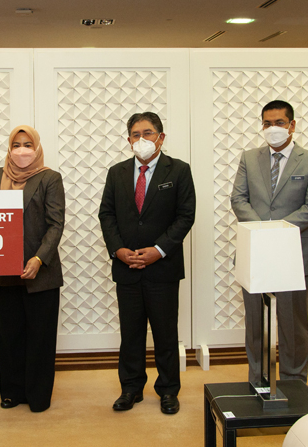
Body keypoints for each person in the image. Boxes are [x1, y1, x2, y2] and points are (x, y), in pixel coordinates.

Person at [98, 112, 195, 415]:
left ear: (161, 137)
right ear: (128, 141)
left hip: (162, 267)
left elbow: (185, 216)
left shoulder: (178, 170)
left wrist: (158, 249)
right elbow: (107, 214)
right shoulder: (116, 172)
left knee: (165, 333)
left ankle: (168, 390)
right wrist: (118, 250)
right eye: (136, 134)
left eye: (148, 133)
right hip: (126, 266)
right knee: (131, 333)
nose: (142, 139)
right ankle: (131, 388)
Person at [230, 100, 308, 385]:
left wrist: (277, 231)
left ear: (292, 126)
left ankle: (294, 383)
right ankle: (257, 381)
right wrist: (264, 230)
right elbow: (238, 199)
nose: (273, 129)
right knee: (255, 325)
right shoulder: (249, 158)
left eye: (279, 123)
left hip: (293, 254)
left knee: (293, 325)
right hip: (255, 253)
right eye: (268, 123)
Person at [0, 125, 65, 412]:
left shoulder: (49, 178)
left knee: (40, 338)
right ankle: (12, 392)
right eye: (16, 145)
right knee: (10, 336)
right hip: (5, 271)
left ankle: (38, 396)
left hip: (40, 272)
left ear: (37, 148)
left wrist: (39, 258)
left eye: (28, 144)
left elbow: (56, 224)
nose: (22, 150)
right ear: (9, 148)